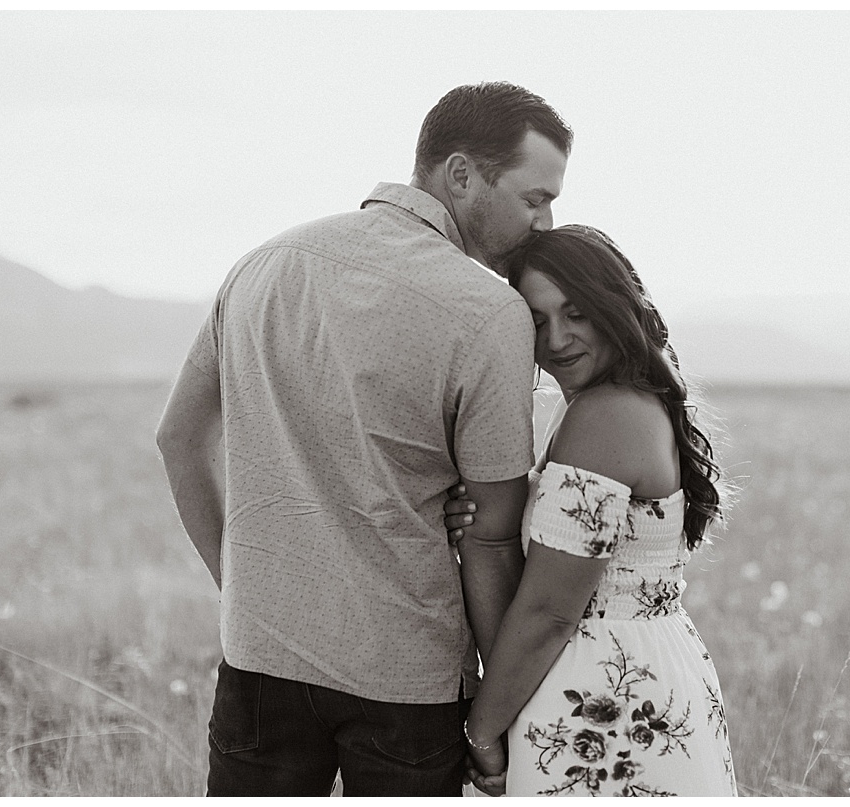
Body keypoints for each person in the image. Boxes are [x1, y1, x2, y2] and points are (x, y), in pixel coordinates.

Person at [155, 82, 572, 796]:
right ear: (462, 174)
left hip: (259, 658)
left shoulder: (263, 263)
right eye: (534, 197)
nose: (546, 220)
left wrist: (244, 592)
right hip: (407, 684)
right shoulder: (489, 312)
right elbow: (491, 538)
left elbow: (177, 439)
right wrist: (497, 724)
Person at [443, 225, 738, 796]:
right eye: (536, 320)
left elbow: (551, 610)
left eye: (576, 312)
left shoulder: (605, 416)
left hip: (608, 695)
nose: (557, 339)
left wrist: (482, 733)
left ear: (615, 306)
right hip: (639, 673)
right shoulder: (612, 404)